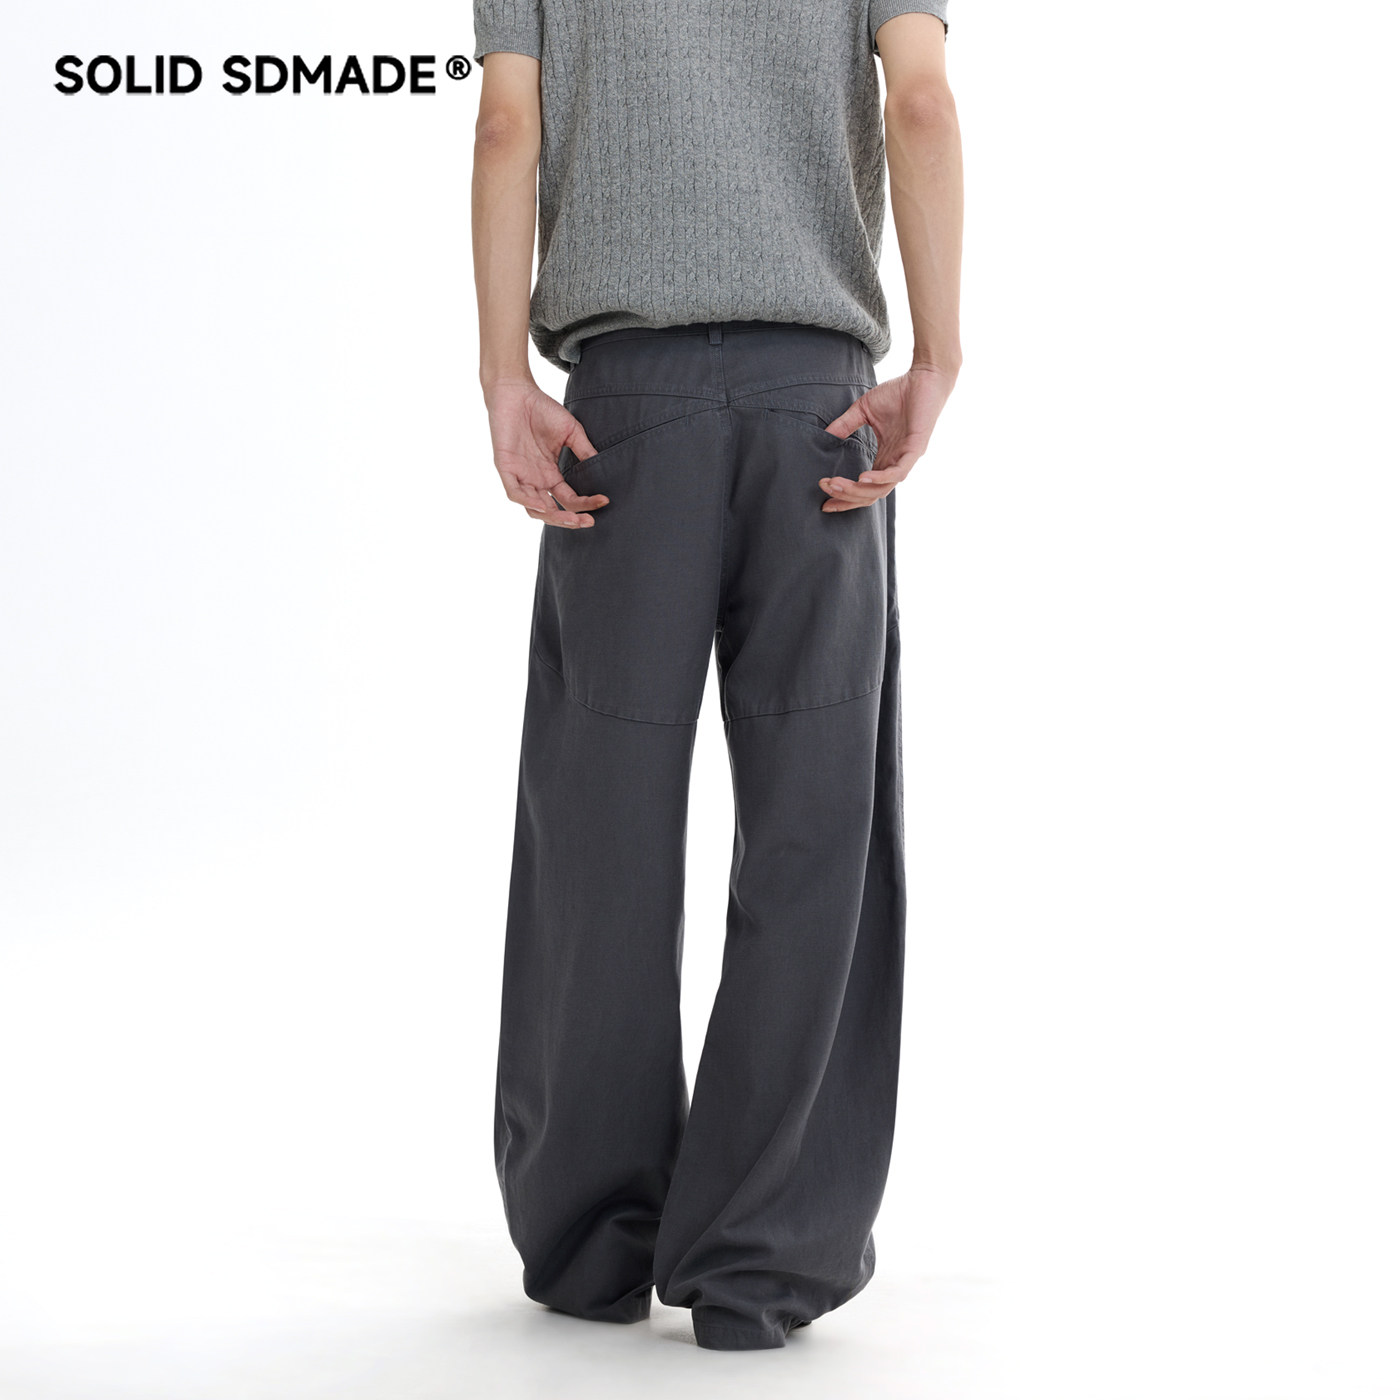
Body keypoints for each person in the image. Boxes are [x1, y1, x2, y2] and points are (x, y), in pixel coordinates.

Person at [471, 0, 962, 1352]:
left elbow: (506, 123)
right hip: (820, 411)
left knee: (597, 815)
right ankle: (761, 1256)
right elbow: (921, 101)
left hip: (619, 413)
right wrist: (939, 354)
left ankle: (591, 1240)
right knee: (818, 824)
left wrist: (502, 373)